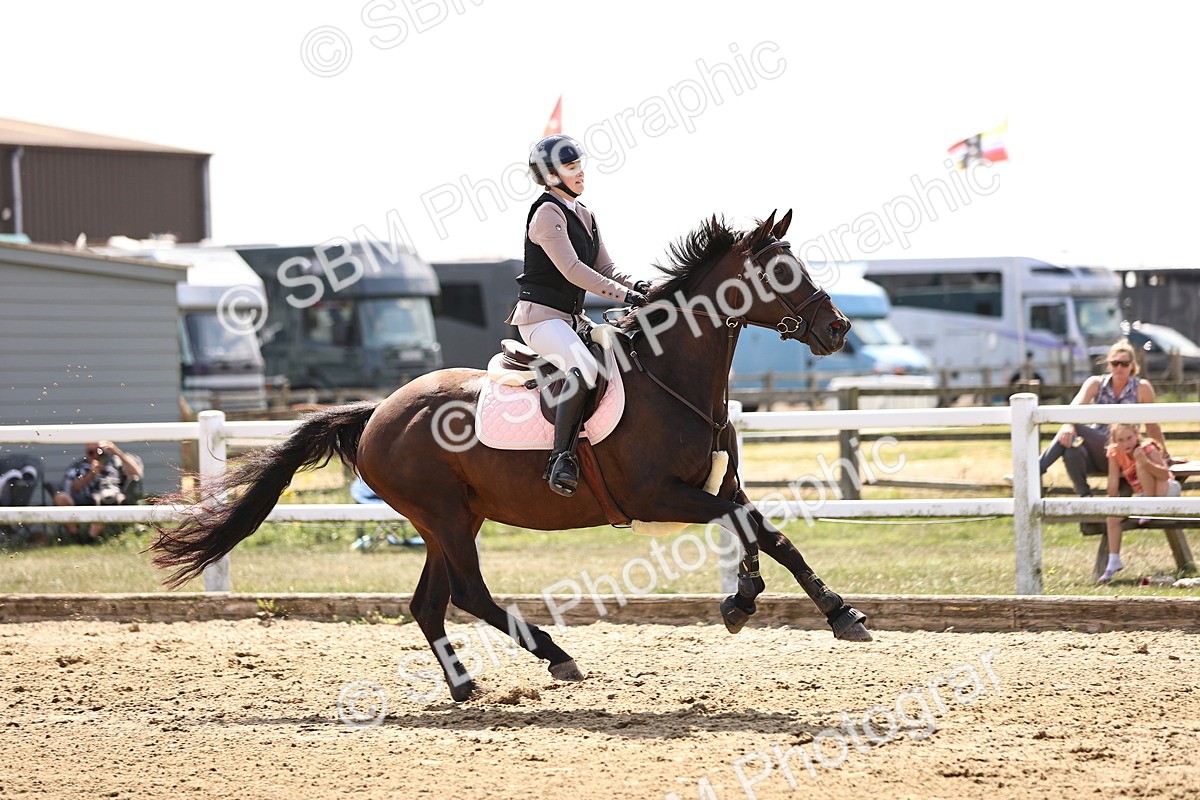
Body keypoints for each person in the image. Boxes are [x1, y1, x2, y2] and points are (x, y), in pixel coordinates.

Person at [506, 134, 651, 497]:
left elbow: (606, 268)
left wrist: (641, 286)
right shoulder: (546, 213)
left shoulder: (585, 214)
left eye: (579, 165)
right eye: (572, 167)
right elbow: (573, 270)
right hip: (540, 320)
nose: (581, 172)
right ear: (551, 176)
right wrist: (625, 296)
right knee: (585, 369)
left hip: (572, 320)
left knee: (624, 359)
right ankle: (561, 459)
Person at [1035, 341, 1166, 497]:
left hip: (1125, 450)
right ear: (1108, 365)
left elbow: (1152, 426)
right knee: (1071, 448)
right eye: (1115, 363)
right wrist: (1068, 426)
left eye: (1124, 364)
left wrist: (1163, 455)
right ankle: (1085, 496)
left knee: (1076, 429)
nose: (1119, 368)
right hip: (1097, 450)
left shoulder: (1142, 387)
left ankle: (1034, 470)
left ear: (1132, 365)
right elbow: (1074, 408)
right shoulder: (1096, 383)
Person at [1099, 423, 1181, 583]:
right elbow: (1113, 482)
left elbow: (1165, 475)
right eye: (1120, 440)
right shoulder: (1115, 452)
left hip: (1167, 490)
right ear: (1115, 441)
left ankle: (1147, 509)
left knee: (1141, 464)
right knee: (1112, 517)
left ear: (1137, 434)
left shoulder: (1147, 448)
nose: (1126, 443)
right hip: (1146, 496)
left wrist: (1144, 462)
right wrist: (1112, 503)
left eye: (1129, 438)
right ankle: (1113, 561)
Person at [54, 440, 143, 543]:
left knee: (107, 498)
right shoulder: (79, 465)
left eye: (99, 452)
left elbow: (137, 474)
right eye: (91, 452)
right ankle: (76, 538)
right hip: (86, 497)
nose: (95, 455)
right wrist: (91, 474)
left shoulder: (115, 461)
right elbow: (72, 488)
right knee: (60, 497)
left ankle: (90, 538)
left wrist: (117, 452)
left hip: (111, 496)